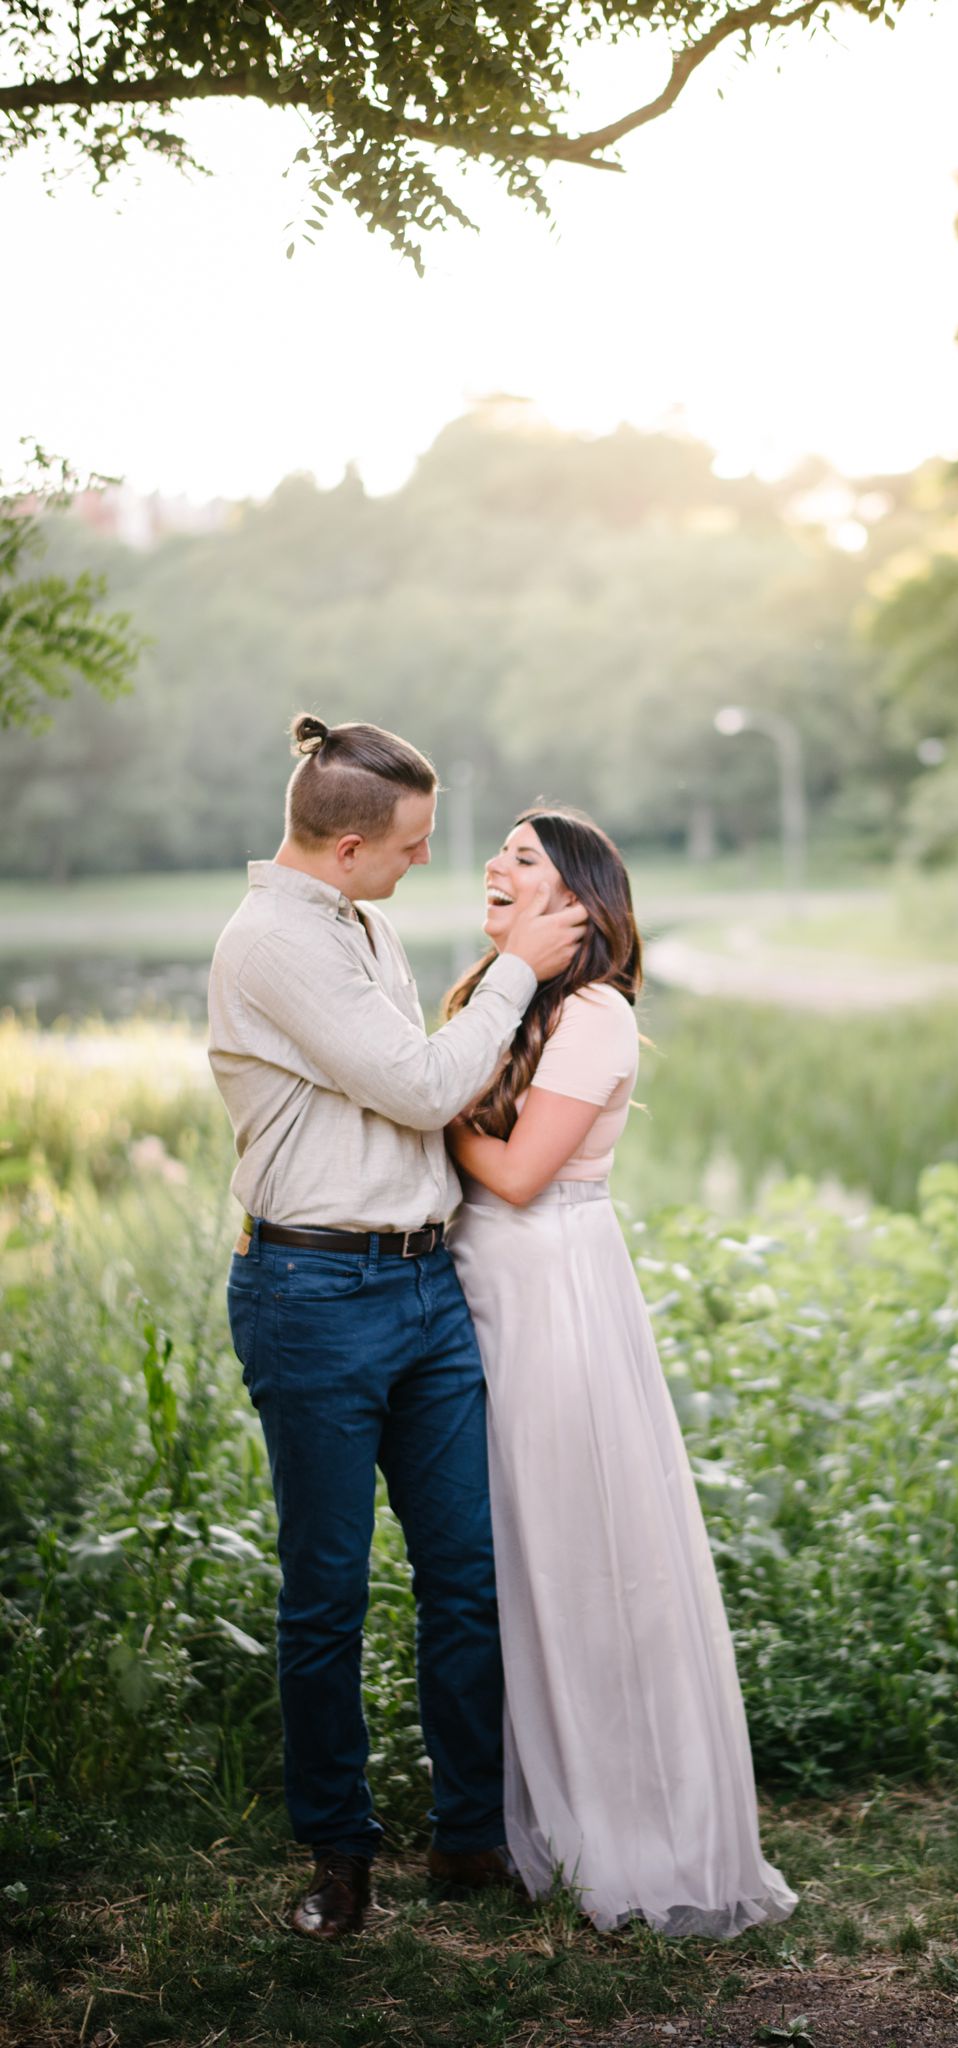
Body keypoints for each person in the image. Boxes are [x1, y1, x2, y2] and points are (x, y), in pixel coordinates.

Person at [208, 716, 586, 1942]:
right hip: (313, 1297)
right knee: (327, 1590)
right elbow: (426, 1086)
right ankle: (340, 1855)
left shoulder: (362, 922)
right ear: (353, 840)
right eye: (414, 844)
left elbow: (424, 1091)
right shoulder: (270, 940)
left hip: (425, 1293)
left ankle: (469, 1835)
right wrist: (523, 965)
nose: (427, 863)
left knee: (464, 1575)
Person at [444, 806, 797, 1937]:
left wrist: (421, 1099)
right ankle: (538, 1806)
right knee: (519, 1558)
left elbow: (514, 1173)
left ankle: (630, 1819)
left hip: (550, 1292)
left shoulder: (592, 1012)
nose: (497, 863)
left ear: (580, 903)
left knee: (578, 1550)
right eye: (498, 850)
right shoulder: (508, 993)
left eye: (525, 856)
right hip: (494, 1289)